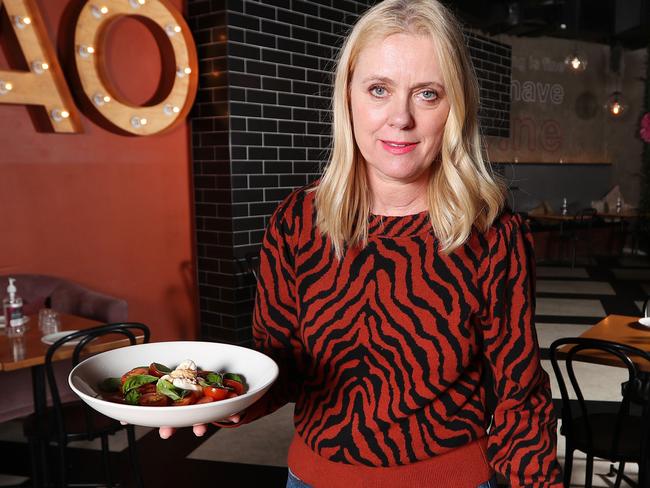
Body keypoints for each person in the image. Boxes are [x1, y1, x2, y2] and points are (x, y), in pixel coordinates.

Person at [162, 0, 563, 486]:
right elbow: (283, 367)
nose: (401, 118)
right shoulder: (296, 222)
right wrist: (220, 401)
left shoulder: (493, 234)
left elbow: (520, 396)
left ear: (455, 106)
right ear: (348, 97)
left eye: (428, 95)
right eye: (379, 89)